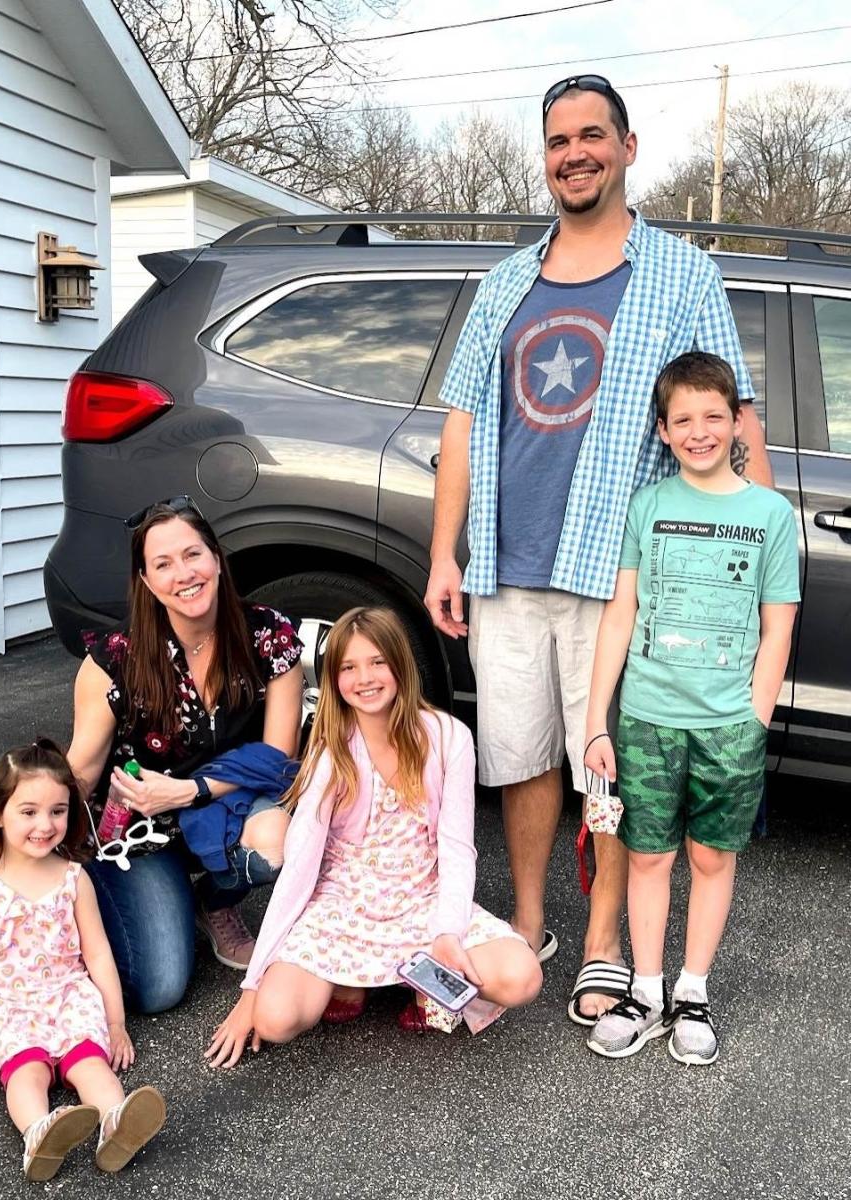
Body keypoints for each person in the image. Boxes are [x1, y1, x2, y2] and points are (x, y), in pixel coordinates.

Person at [423, 72, 774, 1025]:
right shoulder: (506, 282)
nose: (573, 154)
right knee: (522, 755)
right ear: (545, 158)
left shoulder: (680, 272)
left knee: (610, 761)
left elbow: (733, 410)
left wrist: (759, 542)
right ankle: (531, 920)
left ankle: (605, 942)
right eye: (557, 140)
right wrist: (444, 553)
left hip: (619, 571)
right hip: (504, 561)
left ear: (626, 148)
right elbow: (461, 422)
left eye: (591, 135)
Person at [205, 608, 542, 1069]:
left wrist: (447, 932)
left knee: (522, 976)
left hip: (422, 898)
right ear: (334, 678)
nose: (364, 678)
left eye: (377, 662)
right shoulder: (331, 747)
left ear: (400, 665)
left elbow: (458, 848)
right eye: (348, 667)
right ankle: (362, 979)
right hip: (345, 905)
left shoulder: (448, 738)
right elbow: (301, 862)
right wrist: (253, 984)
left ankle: (407, 979)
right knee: (275, 1018)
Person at [582, 352, 799, 1063]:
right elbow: (620, 615)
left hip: (727, 725)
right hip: (646, 718)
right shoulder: (648, 506)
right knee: (648, 856)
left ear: (738, 421)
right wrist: (596, 723)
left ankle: (692, 991)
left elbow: (778, 626)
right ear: (664, 430)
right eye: (684, 420)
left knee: (711, 857)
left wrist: (755, 721)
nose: (699, 431)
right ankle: (644, 990)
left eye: (714, 416)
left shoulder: (770, 514)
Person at [68, 495, 303, 1013]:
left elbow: (279, 757)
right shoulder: (114, 659)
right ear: (147, 582)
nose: (184, 574)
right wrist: (12, 850)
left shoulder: (267, 634)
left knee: (280, 843)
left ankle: (213, 902)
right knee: (159, 989)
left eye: (193, 555)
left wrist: (190, 789)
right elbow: (80, 771)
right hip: (135, 835)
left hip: (223, 808)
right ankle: (111, 898)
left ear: (216, 558)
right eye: (163, 564)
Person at [0, 740, 166, 1181]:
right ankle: (38, 1133)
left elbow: (97, 953)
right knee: (27, 1068)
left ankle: (117, 1122)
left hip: (65, 992)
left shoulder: (73, 878)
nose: (45, 824)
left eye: (58, 811)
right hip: (2, 1001)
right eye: (29, 811)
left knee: (90, 1062)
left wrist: (115, 1023)